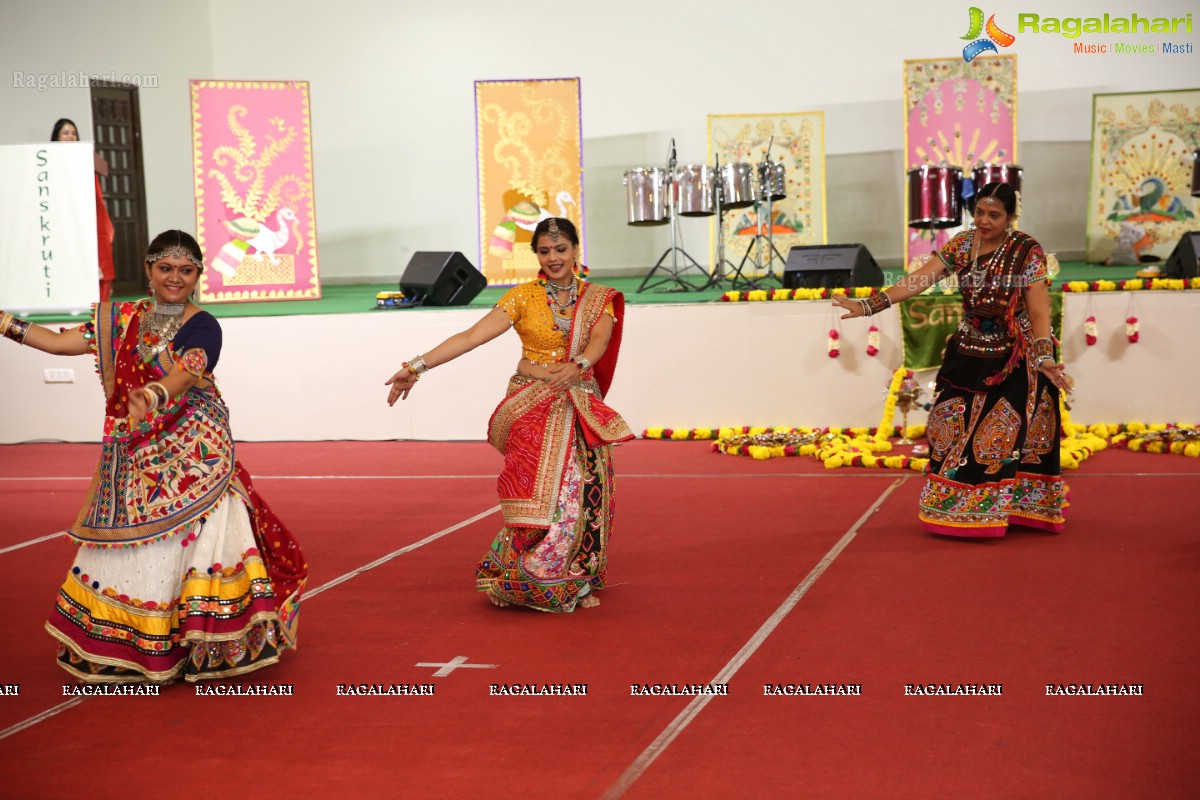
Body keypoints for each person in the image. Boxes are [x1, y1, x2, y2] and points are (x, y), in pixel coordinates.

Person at [1, 230, 306, 683]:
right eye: (166, 268)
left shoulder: (203, 324)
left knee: (200, 545)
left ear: (199, 275)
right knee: (136, 546)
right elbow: (59, 343)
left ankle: (209, 641)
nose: (175, 279)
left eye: (186, 270)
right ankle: (133, 640)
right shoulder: (119, 319)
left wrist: (157, 392)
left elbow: (191, 369)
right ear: (148, 270)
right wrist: (5, 322)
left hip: (195, 453)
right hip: (136, 452)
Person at [385, 217, 633, 611]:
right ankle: (528, 572)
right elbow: (470, 337)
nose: (553, 258)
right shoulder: (522, 297)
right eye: (545, 251)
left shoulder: (599, 298)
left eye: (561, 249)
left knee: (577, 490)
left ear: (575, 250)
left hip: (577, 402)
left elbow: (600, 339)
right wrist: (416, 366)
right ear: (536, 254)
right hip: (531, 405)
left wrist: (580, 364)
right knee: (535, 493)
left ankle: (566, 572)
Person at [833, 182, 1073, 538]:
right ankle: (955, 507)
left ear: (1010, 217)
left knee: (998, 438)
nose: (984, 220)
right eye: (979, 213)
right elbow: (918, 280)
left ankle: (1000, 508)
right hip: (968, 351)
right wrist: (870, 305)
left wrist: (1044, 356)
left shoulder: (1027, 252)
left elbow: (1039, 312)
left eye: (994, 215)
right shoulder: (963, 244)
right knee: (946, 432)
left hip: (1014, 355)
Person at [52, 117, 116, 302]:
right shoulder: (49, 159)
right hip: (63, 217)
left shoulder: (85, 155)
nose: (71, 136)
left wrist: (89, 154)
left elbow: (104, 169)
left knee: (100, 255)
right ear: (56, 137)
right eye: (66, 133)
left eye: (73, 133)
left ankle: (100, 302)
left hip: (87, 215)